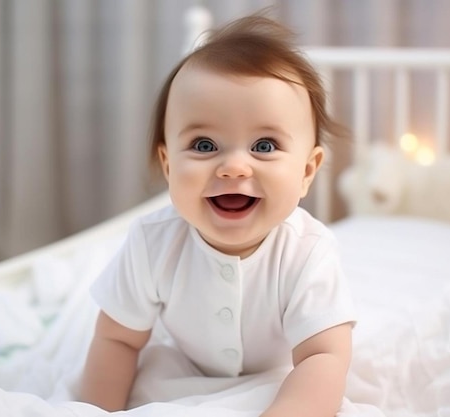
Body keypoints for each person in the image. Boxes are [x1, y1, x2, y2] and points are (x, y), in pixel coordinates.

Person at [79, 12, 357, 417]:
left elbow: (325, 358)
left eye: (264, 146)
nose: (233, 167)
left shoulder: (308, 252)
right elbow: (117, 340)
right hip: (184, 369)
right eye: (205, 145)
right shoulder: (151, 243)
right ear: (169, 165)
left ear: (306, 172)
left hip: (280, 378)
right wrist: (93, 410)